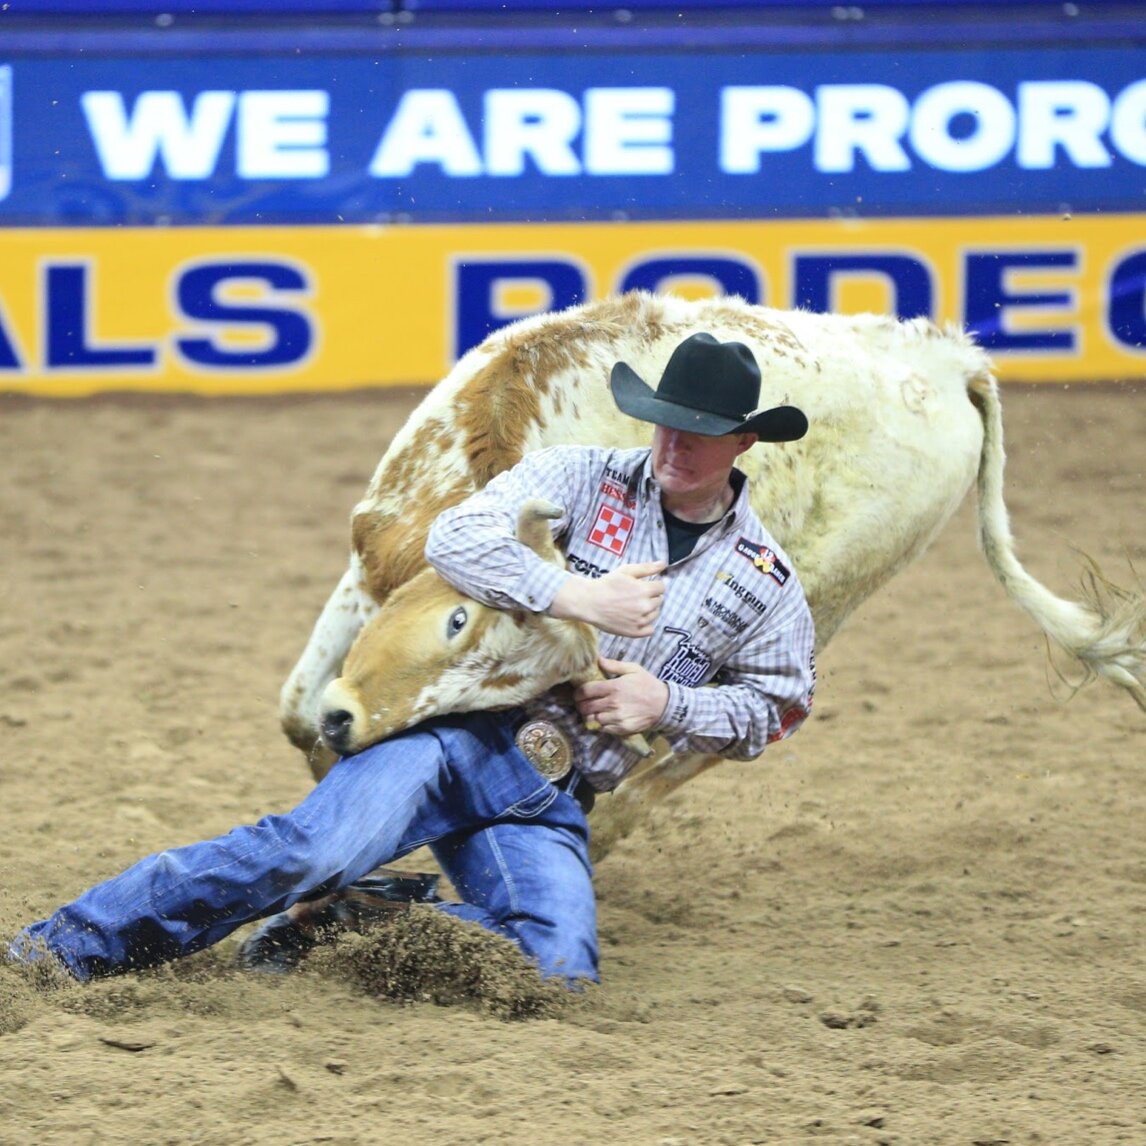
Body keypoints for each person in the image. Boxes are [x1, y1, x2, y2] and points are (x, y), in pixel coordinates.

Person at [8, 331, 816, 986]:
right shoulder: (581, 476)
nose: (676, 443)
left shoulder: (764, 578)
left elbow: (781, 703)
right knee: (303, 850)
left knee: (558, 971)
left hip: (550, 790)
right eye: (666, 420)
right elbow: (455, 538)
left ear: (744, 441)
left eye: (701, 431)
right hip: (454, 732)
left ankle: (360, 912)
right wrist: (574, 598)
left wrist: (667, 707)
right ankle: (55, 950)